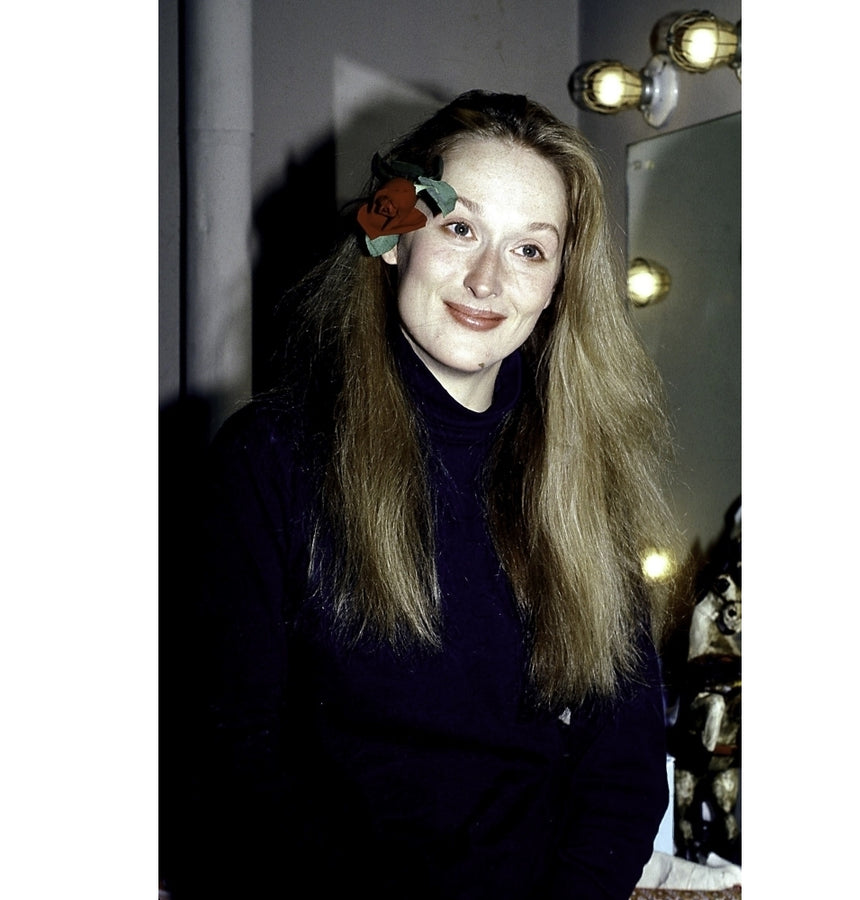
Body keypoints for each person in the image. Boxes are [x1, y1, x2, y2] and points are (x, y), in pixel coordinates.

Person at [169, 90, 679, 900]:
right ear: (395, 236)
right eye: (461, 228)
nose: (486, 278)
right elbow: (230, 760)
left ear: (557, 287)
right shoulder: (271, 458)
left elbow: (621, 780)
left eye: (530, 250)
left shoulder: (583, 485)